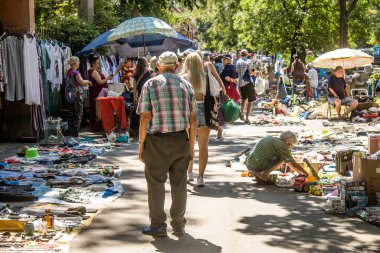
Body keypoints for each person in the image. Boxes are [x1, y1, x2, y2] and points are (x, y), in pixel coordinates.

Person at [137, 51, 197, 237]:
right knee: (179, 185)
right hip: (180, 139)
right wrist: (191, 148)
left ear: (158, 66)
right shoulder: (186, 85)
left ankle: (158, 225)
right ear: (177, 66)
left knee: (155, 183)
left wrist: (141, 145)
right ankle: (178, 225)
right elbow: (193, 120)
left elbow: (145, 118)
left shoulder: (151, 84)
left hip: (156, 141)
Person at [181, 52, 222, 186]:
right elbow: (217, 90)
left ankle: (189, 173)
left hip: (189, 111)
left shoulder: (184, 77)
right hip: (204, 109)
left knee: (189, 144)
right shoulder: (206, 77)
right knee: (203, 146)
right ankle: (201, 177)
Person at [88, 54, 123, 132]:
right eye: (97, 62)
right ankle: (96, 127)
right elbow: (100, 82)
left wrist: (116, 71)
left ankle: (99, 126)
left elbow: (106, 78)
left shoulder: (95, 71)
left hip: (99, 92)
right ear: (93, 63)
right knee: (97, 111)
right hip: (97, 93)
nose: (99, 63)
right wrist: (107, 78)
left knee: (99, 110)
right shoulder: (93, 71)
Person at [65, 56, 92, 137]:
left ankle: (71, 131)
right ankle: (75, 133)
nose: (79, 63)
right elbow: (82, 82)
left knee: (71, 114)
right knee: (78, 114)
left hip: (69, 96)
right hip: (76, 95)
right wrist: (88, 81)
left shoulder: (69, 71)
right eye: (79, 62)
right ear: (76, 63)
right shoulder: (76, 72)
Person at [236, 49, 255, 124]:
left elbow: (237, 71)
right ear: (247, 54)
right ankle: (247, 118)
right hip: (248, 82)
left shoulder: (238, 61)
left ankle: (242, 114)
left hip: (240, 83)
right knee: (251, 100)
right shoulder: (249, 61)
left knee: (244, 99)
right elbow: (250, 73)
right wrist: (254, 73)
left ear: (241, 54)